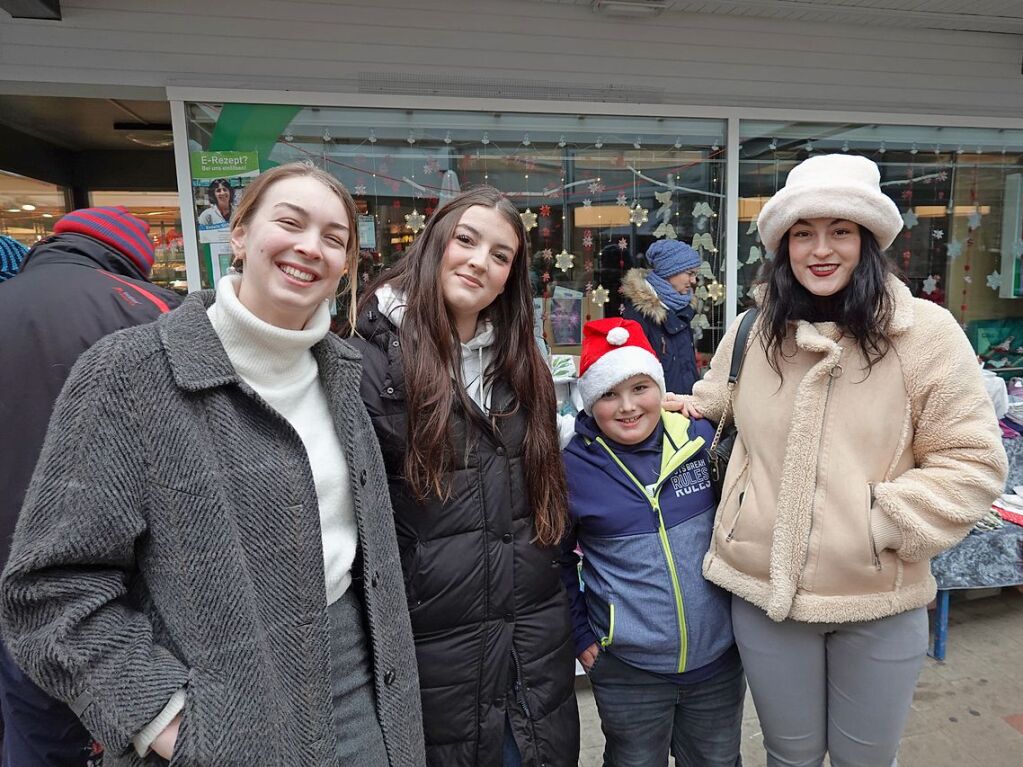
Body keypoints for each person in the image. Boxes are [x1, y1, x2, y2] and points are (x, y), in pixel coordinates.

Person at [1, 163, 425, 767]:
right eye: (290, 222)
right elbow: (47, 591)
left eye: (335, 238)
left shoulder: (340, 375)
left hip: (363, 688)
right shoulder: (131, 373)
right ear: (240, 235)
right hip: (228, 715)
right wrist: (162, 718)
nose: (311, 247)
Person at [680, 154, 1007, 766]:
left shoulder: (924, 334)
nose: (820, 249)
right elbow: (713, 407)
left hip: (877, 599)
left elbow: (972, 460)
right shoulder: (756, 329)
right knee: (789, 758)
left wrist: (878, 526)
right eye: (803, 232)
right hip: (765, 594)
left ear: (869, 240)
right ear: (783, 245)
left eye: (841, 231)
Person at [347, 186, 579, 766]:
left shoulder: (524, 360)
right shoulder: (363, 356)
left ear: (509, 278)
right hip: (432, 654)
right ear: (433, 245)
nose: (480, 261)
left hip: (530, 645)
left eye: (501, 256)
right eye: (466, 240)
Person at [0, 206, 182, 766]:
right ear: (134, 260)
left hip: (11, 573)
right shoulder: (156, 315)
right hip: (118, 584)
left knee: (31, 731)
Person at [560, 317, 744, 767]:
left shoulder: (700, 439)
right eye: (608, 394)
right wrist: (582, 636)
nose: (627, 407)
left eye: (640, 387)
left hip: (718, 661)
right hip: (628, 670)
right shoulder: (571, 468)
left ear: (660, 387)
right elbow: (552, 559)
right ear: (588, 403)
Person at [622, 239, 701, 395]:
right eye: (690, 273)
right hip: (658, 411)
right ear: (669, 271)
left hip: (685, 408)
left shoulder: (681, 308)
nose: (693, 281)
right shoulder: (639, 316)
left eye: (695, 274)